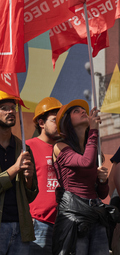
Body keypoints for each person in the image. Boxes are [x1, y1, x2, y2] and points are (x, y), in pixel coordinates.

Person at [52, 99, 110, 255]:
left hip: (95, 214)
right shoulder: (60, 146)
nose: (83, 111)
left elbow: (103, 194)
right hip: (73, 217)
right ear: (66, 121)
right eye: (76, 111)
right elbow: (85, 162)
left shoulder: (92, 148)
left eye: (83, 109)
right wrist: (94, 131)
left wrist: (102, 181)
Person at [0, 91, 38, 255]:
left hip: (21, 227)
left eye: (13, 107)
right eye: (4, 108)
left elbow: (30, 195)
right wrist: (15, 168)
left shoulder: (23, 148)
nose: (11, 111)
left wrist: (29, 180)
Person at [27, 97, 62, 255]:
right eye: (55, 120)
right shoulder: (28, 146)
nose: (59, 124)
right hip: (38, 224)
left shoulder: (66, 148)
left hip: (65, 223)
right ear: (41, 123)